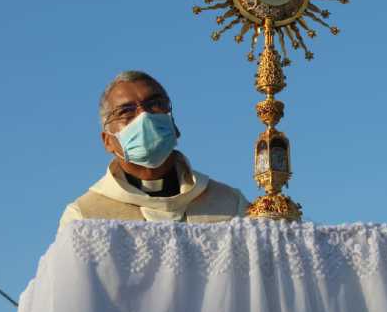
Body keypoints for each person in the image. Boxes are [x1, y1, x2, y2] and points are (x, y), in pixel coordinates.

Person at [59, 70, 249, 228]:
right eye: (126, 111)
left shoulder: (232, 205)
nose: (144, 115)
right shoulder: (84, 217)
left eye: (155, 104)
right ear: (107, 141)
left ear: (173, 125)